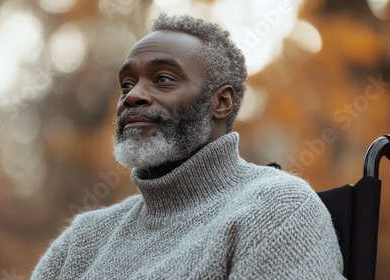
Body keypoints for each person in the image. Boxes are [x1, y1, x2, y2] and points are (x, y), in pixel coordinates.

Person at [31, 13, 344, 279]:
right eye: (126, 84)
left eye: (163, 79)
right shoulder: (83, 239)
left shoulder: (277, 208)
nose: (132, 96)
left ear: (220, 102)